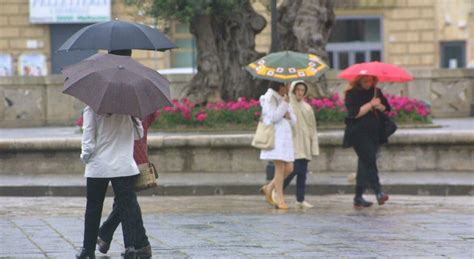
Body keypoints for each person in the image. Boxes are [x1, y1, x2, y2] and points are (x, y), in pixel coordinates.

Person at [75, 49, 149, 259]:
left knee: (93, 208)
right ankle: (131, 249)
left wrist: (85, 158)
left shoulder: (92, 108)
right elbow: (138, 135)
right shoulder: (129, 107)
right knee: (127, 208)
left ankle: (87, 250)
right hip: (124, 165)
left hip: (98, 166)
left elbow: (88, 142)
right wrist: (134, 118)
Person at [96, 112, 157, 258]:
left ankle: (139, 243)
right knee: (125, 198)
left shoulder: (128, 102)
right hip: (132, 150)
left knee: (125, 198)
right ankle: (138, 244)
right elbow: (152, 115)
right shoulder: (137, 98)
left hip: (129, 152)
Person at [343, 75, 391, 208]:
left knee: (364, 164)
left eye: (370, 81)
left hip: (374, 134)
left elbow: (386, 108)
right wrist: (370, 104)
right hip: (358, 134)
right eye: (365, 81)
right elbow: (355, 113)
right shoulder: (352, 94)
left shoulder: (376, 91)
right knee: (370, 160)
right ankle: (378, 192)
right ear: (358, 81)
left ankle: (358, 197)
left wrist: (379, 105)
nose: (368, 83)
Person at [277, 80, 319, 209]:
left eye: (302, 90)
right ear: (294, 90)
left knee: (302, 173)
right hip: (293, 142)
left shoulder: (307, 107)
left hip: (305, 143)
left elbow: (312, 127)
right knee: (293, 170)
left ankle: (300, 199)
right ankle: (277, 190)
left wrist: (313, 145)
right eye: (298, 90)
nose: (300, 92)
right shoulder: (288, 104)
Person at [259, 81, 297, 210]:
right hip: (276, 138)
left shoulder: (285, 98)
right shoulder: (269, 97)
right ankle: (280, 199)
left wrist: (288, 113)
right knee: (280, 168)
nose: (290, 87)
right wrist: (284, 106)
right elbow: (273, 117)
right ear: (281, 85)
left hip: (286, 139)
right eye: (288, 84)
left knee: (290, 168)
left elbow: (293, 122)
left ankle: (269, 187)